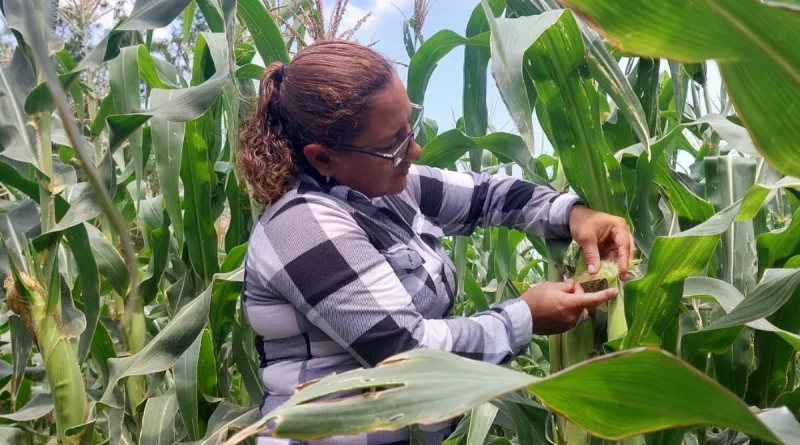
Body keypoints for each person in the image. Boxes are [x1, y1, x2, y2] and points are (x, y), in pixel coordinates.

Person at [238, 39, 635, 445]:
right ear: (323, 158)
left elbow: (487, 196)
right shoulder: (301, 227)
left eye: (409, 127)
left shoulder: (386, 186)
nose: (415, 150)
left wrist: (573, 215)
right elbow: (410, 358)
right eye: (392, 145)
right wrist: (527, 317)